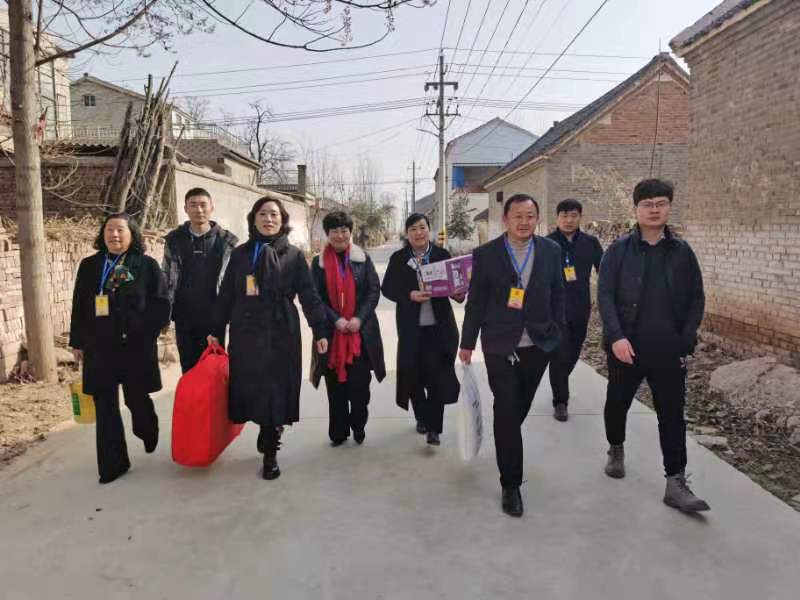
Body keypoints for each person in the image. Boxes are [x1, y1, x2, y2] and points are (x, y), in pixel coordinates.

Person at [598, 178, 709, 513]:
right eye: (647, 204)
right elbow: (605, 296)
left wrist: (686, 338)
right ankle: (616, 447)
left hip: (668, 350)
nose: (654, 209)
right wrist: (616, 337)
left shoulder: (682, 252)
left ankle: (675, 481)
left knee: (672, 416)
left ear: (669, 207)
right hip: (626, 348)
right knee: (617, 404)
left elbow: (696, 298)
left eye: (661, 203)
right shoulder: (619, 250)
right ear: (636, 209)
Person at [459, 194, 565, 517]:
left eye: (530, 216)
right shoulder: (486, 254)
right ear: (505, 219)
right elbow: (476, 301)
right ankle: (511, 484)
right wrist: (467, 342)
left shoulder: (551, 251)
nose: (524, 222)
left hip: (538, 345)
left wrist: (557, 333)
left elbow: (558, 294)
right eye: (518, 216)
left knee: (517, 410)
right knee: (506, 409)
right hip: (499, 344)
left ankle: (505, 437)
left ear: (538, 219)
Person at [209, 197, 329, 480]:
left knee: (277, 386)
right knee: (252, 384)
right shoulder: (240, 254)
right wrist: (216, 329)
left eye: (274, 214)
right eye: (263, 214)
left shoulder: (293, 255)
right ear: (254, 219)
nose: (269, 219)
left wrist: (320, 330)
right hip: (246, 329)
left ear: (282, 220)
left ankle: (271, 450)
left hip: (281, 328)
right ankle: (266, 427)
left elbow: (309, 295)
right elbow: (226, 294)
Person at [69, 213, 171, 484]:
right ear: (102, 234)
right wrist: (77, 342)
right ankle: (113, 465)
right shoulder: (90, 266)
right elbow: (79, 304)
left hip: (134, 345)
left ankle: (147, 427)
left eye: (120, 230)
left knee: (136, 398)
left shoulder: (145, 265)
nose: (114, 235)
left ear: (132, 234)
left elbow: (161, 304)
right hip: (99, 345)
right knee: (105, 405)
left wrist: (146, 332)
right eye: (109, 229)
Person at [381, 213, 462, 446]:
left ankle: (434, 428)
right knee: (413, 376)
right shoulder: (399, 258)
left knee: (437, 378)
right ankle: (422, 417)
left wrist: (459, 293)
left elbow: (456, 288)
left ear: (429, 229)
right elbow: (387, 289)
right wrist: (409, 294)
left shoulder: (441, 255)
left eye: (422, 227)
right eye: (413, 229)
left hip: (439, 330)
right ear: (407, 234)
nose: (419, 232)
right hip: (411, 330)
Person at [310, 211, 386, 446]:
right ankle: (339, 431)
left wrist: (359, 319)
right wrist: (335, 320)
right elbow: (315, 297)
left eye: (344, 230)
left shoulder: (362, 258)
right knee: (335, 387)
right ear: (328, 234)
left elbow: (374, 291)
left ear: (350, 232)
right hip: (331, 334)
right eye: (335, 231)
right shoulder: (318, 263)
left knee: (360, 387)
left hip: (360, 334)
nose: (340, 235)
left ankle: (358, 424)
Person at [163, 188, 238, 373]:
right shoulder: (174, 240)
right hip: (184, 316)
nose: (199, 210)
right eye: (193, 205)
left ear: (212, 207)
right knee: (189, 369)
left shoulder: (226, 241)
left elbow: (233, 282)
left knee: (214, 369)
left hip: (215, 317)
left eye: (203, 205)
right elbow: (166, 275)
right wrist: (164, 311)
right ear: (185, 209)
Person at [546, 199, 603, 421]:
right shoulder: (547, 243)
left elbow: (604, 271)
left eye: (573, 216)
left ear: (580, 217)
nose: (569, 220)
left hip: (580, 307)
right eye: (564, 216)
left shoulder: (591, 243)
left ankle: (559, 380)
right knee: (559, 354)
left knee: (573, 352)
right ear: (557, 218)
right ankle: (560, 401)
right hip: (554, 309)